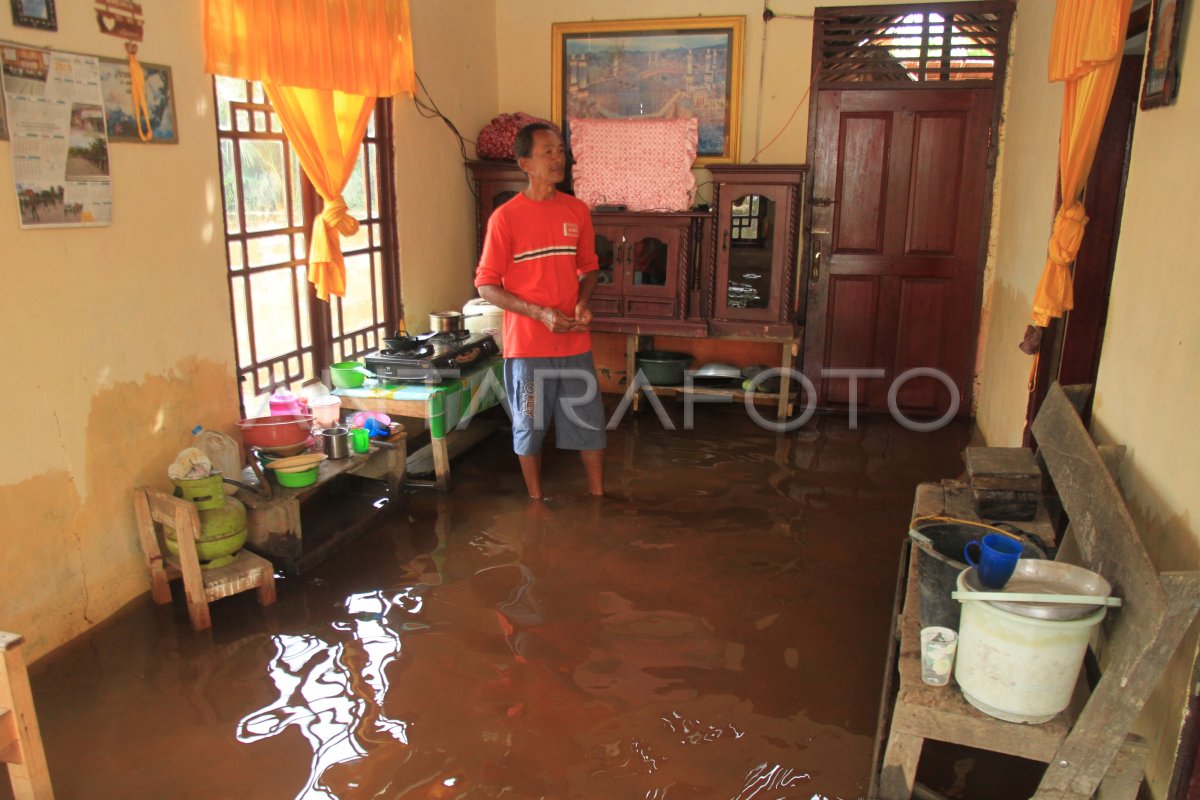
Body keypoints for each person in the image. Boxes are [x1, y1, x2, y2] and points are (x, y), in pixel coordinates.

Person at [475, 123, 606, 500]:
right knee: (529, 426)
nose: (557, 157)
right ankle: (535, 501)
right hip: (528, 349)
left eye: (560, 150)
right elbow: (486, 285)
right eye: (547, 151)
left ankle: (599, 497)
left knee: (590, 423)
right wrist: (540, 313)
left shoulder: (576, 210)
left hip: (574, 344)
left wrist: (582, 302)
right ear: (525, 163)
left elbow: (590, 268)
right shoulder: (506, 218)